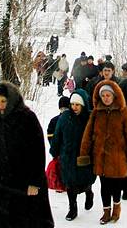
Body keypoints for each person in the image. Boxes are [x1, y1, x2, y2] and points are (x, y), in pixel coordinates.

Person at [0, 81, 54, 228]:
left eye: (4, 101)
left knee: (25, 222)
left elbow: (38, 152)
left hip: (24, 184)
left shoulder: (27, 118)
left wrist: (35, 182)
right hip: (0, 184)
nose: (0, 105)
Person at [78, 80, 127, 224]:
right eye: (103, 95)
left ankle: (116, 208)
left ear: (114, 96)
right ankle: (106, 212)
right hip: (100, 157)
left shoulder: (124, 112)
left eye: (108, 95)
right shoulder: (96, 112)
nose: (106, 98)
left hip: (118, 157)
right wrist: (84, 153)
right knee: (104, 186)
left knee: (116, 186)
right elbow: (87, 134)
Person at [50, 89, 95, 221]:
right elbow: (57, 134)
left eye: (77, 105)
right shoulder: (65, 117)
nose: (74, 107)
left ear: (83, 105)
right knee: (70, 184)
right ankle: (72, 208)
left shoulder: (89, 118)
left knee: (85, 182)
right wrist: (54, 150)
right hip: (67, 157)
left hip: (84, 157)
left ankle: (89, 193)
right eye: (73, 104)